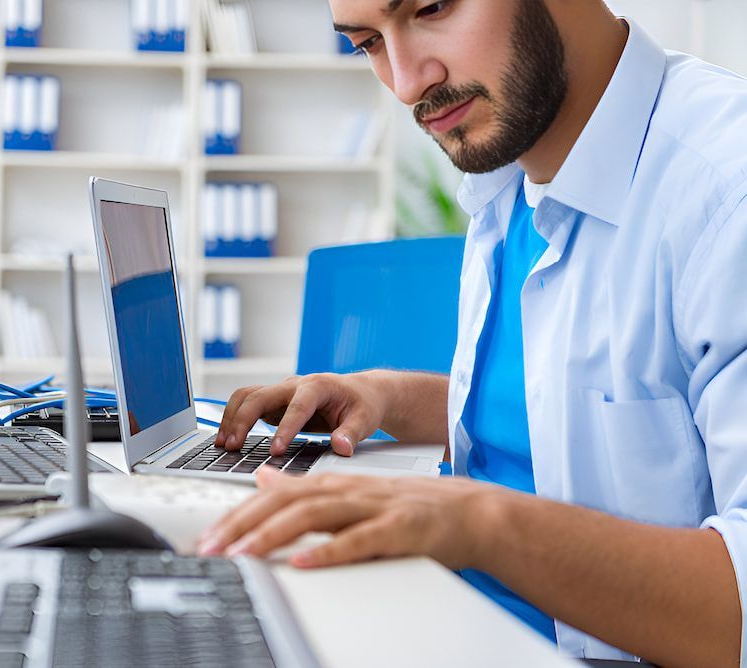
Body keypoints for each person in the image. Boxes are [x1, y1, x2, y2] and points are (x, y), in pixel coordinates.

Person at [195, 1, 747, 665]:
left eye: (430, 8)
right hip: (447, 619)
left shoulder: (724, 193)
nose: (406, 83)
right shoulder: (508, 169)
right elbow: (568, 414)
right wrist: (389, 396)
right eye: (368, 43)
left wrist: (476, 521)